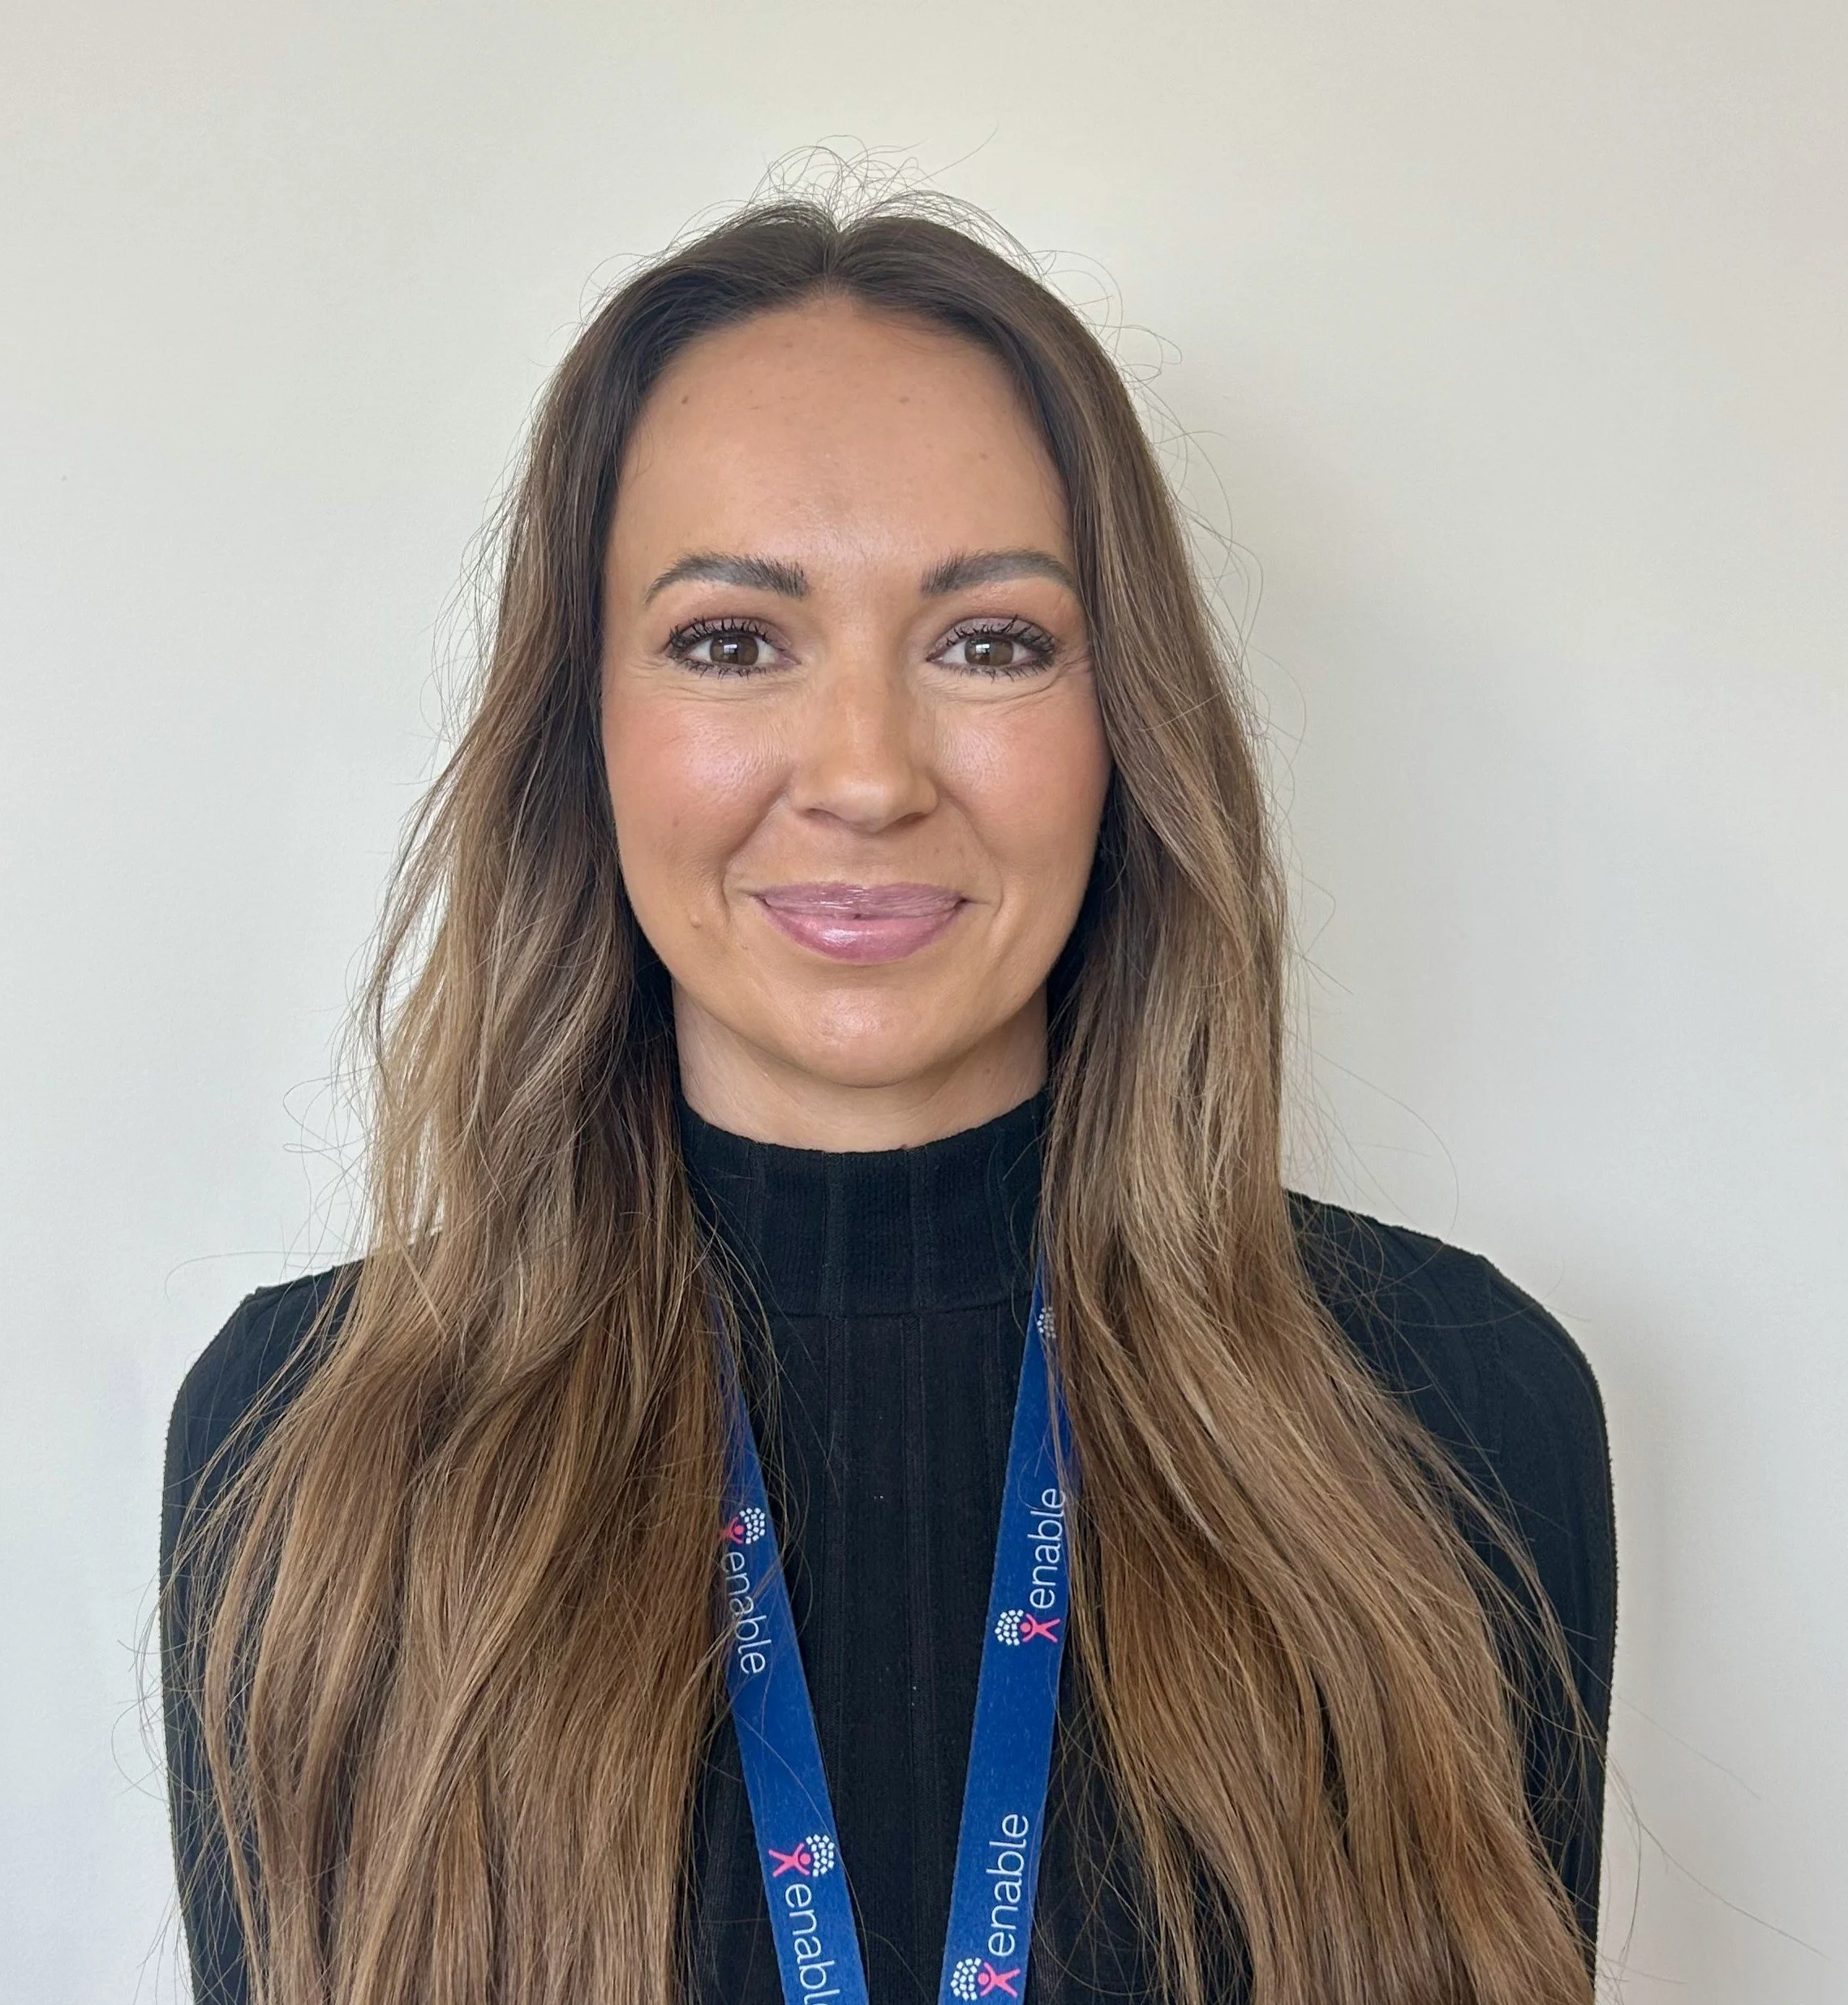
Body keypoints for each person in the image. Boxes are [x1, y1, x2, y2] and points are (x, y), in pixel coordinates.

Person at [161, 193, 1614, 2005]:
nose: (862, 773)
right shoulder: (318, 1444)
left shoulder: (1454, 1411)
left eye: (988, 641)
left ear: (1125, 727)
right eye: (730, 641)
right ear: (582, 728)